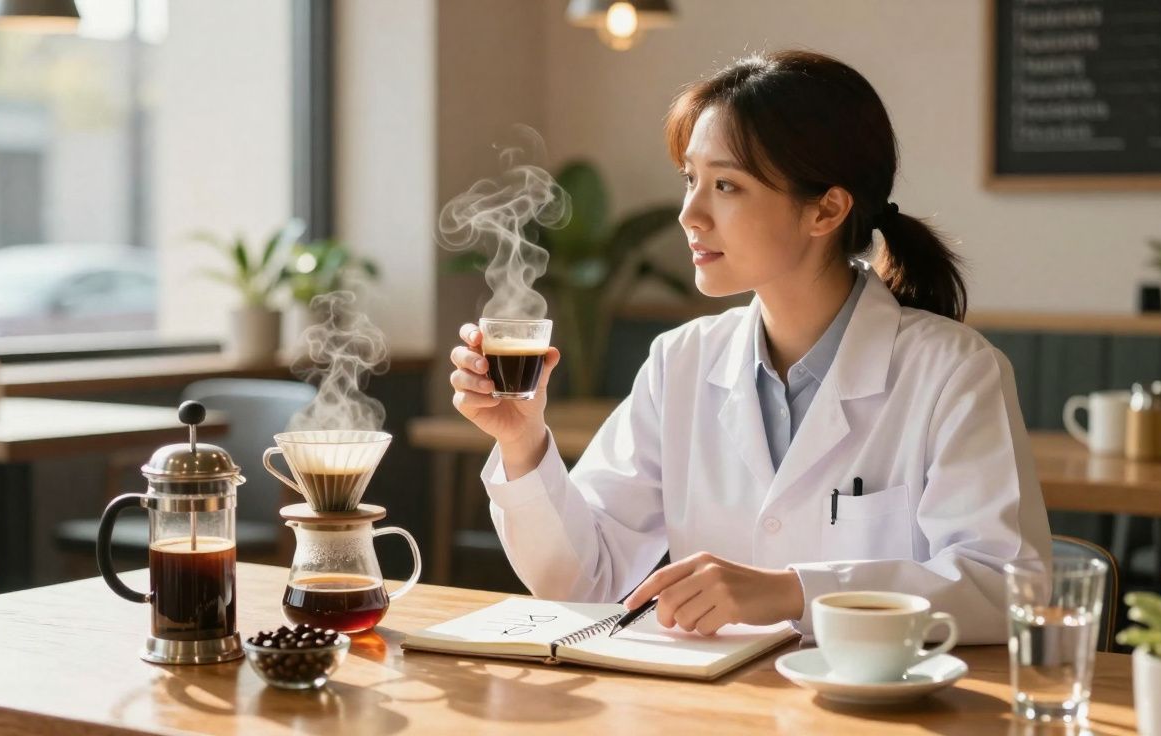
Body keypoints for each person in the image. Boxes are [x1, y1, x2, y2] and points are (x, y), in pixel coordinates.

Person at [447, 50, 1049, 643]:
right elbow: (584, 578)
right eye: (691, 180)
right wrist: (521, 440)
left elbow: (1005, 587)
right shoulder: (679, 362)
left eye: (726, 185)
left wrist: (793, 592)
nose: (689, 213)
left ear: (826, 210)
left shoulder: (954, 372)